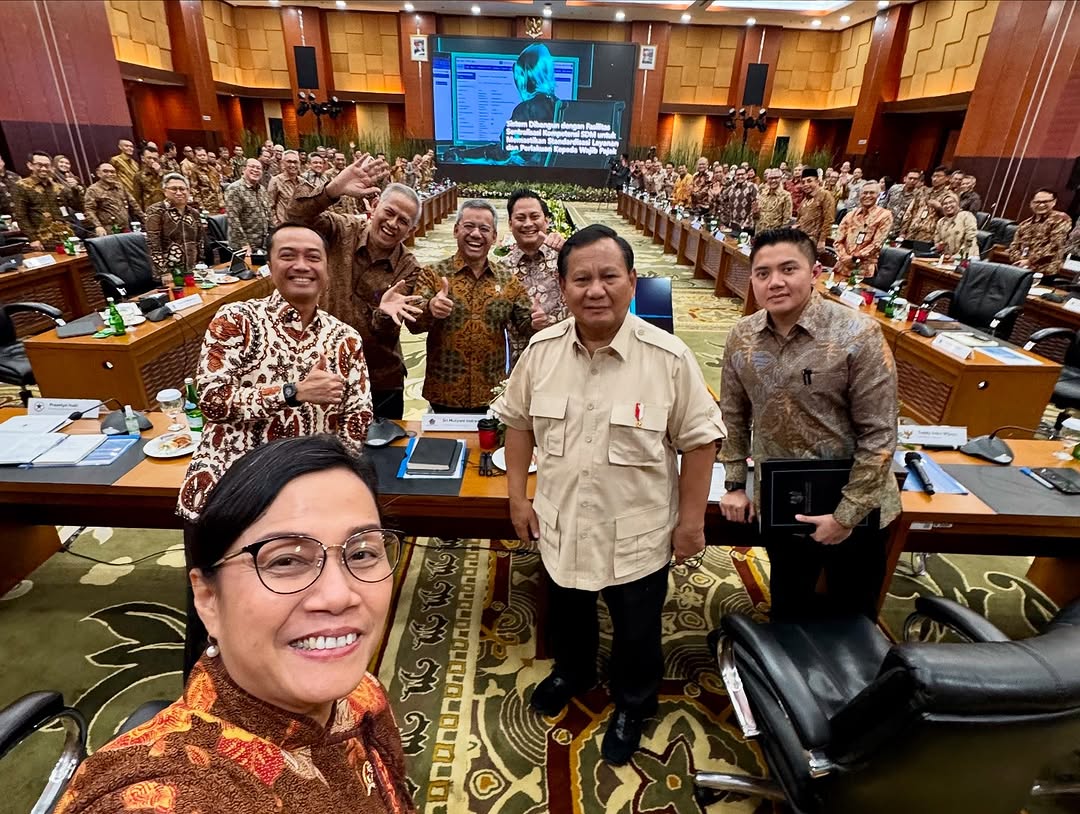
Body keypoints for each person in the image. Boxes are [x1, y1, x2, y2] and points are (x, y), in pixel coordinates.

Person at [56, 435, 414, 814]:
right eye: (285, 561)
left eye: (361, 553)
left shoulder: (362, 693)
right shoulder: (173, 792)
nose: (339, 595)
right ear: (208, 599)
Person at [493, 223, 725, 766]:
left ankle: (633, 703)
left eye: (608, 277)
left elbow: (700, 442)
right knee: (568, 616)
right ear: (563, 286)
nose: (595, 290)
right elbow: (518, 424)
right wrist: (517, 498)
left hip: (637, 531)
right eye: (581, 279)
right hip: (561, 520)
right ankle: (572, 672)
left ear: (632, 281)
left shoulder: (667, 358)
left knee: (637, 631)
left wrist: (691, 523)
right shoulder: (542, 351)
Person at [719, 227, 899, 622]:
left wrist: (845, 516)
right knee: (788, 608)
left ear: (814, 272)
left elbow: (880, 433)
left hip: (854, 506)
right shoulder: (742, 336)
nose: (775, 282)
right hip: (783, 500)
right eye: (762, 273)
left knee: (852, 618)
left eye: (788, 269)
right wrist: (734, 484)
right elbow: (733, 415)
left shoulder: (858, 334)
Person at [178, 221, 373, 526]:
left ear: (327, 269)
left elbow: (358, 417)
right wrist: (291, 393)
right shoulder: (237, 320)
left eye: (313, 257)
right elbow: (211, 401)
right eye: (288, 256)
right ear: (269, 265)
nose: (301, 266)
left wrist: (337, 479)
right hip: (235, 486)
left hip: (310, 487)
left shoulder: (345, 337)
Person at [288, 155, 426, 421]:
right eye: (389, 212)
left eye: (403, 221)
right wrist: (331, 191)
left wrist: (385, 314)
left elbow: (386, 331)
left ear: (411, 230)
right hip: (322, 370)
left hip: (380, 378)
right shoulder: (341, 229)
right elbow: (295, 218)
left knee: (380, 455)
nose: (393, 223)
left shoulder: (409, 268)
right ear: (374, 206)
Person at [407, 200, 544, 413]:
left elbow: (526, 326)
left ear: (494, 237)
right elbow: (413, 324)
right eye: (469, 226)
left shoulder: (508, 280)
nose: (476, 234)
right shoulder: (433, 274)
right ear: (456, 230)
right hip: (443, 393)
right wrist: (430, 308)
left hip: (492, 394)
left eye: (484, 229)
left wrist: (536, 322)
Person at [503, 189, 569, 366]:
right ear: (510, 224)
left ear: (546, 220)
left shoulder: (566, 258)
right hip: (522, 362)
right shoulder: (501, 269)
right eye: (520, 218)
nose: (528, 223)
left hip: (565, 357)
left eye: (534, 217)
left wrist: (572, 251)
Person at [145, 173, 205, 282]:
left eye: (182, 189)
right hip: (169, 273)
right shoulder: (156, 211)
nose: (179, 192)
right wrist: (164, 272)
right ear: (165, 191)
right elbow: (153, 245)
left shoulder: (194, 213)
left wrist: (200, 264)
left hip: (192, 270)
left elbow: (199, 242)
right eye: (174, 189)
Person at [12, 151, 74, 250]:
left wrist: (75, 189)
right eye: (39, 165)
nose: (44, 169)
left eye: (47, 165)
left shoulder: (57, 186)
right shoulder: (22, 186)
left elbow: (76, 205)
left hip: (66, 235)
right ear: (30, 165)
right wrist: (32, 239)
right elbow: (20, 215)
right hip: (43, 239)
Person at [1008, 188, 1074, 277]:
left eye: (1046, 201)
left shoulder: (1060, 219)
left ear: (1054, 202)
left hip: (1045, 272)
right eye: (1037, 202)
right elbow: (1014, 246)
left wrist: (1029, 261)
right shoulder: (1025, 224)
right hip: (1021, 269)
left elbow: (1054, 245)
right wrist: (1020, 260)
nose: (1041, 205)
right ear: (1031, 203)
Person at [834, 181, 892, 279]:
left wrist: (853, 258)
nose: (867, 195)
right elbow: (838, 240)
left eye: (872, 193)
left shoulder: (884, 215)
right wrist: (844, 257)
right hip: (842, 266)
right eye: (864, 193)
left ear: (878, 195)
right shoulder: (850, 215)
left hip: (863, 270)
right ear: (860, 195)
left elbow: (877, 244)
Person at [83, 162, 144, 236]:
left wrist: (145, 219)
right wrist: (98, 226)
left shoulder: (120, 186)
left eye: (112, 172)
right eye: (105, 171)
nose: (110, 174)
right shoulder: (93, 190)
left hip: (125, 229)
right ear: (98, 173)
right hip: (107, 231)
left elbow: (133, 204)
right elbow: (89, 210)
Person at [225, 158, 272, 253]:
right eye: (252, 167)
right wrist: (244, 244)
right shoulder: (234, 189)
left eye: (258, 168)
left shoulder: (262, 189)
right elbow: (233, 219)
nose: (255, 170)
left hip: (261, 244)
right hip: (243, 246)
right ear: (243, 170)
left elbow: (268, 215)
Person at [899, 166, 950, 242]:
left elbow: (950, 218)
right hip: (912, 231)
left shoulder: (949, 196)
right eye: (934, 176)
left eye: (939, 176)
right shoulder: (923, 192)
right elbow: (910, 212)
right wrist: (903, 231)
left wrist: (939, 208)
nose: (935, 179)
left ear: (947, 178)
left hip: (930, 236)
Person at [795, 167, 835, 250]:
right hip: (801, 239)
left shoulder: (825, 195)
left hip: (814, 240)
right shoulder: (805, 199)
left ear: (817, 181)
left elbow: (829, 219)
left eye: (809, 181)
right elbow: (800, 219)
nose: (805, 184)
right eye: (803, 182)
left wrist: (822, 240)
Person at [934, 191, 980, 259]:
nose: (948, 205)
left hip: (968, 256)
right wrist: (939, 247)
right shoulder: (941, 222)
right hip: (947, 258)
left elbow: (970, 239)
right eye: (945, 203)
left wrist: (958, 256)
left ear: (957, 203)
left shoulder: (967, 216)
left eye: (951, 202)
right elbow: (937, 241)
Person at [884, 169, 922, 239]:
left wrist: (905, 232)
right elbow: (884, 204)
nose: (912, 181)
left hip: (900, 232)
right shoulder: (894, 188)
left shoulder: (919, 196)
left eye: (915, 179)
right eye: (910, 178)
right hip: (885, 226)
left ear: (919, 181)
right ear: (905, 179)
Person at [268, 149, 303, 225]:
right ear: (283, 164)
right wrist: (276, 224)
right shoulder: (276, 181)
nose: (292, 165)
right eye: (289, 162)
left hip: (301, 226)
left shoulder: (303, 182)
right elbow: (269, 207)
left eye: (295, 162)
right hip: (284, 227)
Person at [718, 166, 757, 231]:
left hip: (746, 226)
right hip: (732, 224)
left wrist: (747, 223)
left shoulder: (752, 187)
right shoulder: (731, 188)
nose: (740, 176)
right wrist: (725, 220)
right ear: (735, 176)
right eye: (738, 174)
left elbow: (755, 206)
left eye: (742, 174)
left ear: (746, 175)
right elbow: (721, 201)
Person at [188, 147, 223, 213]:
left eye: (204, 155)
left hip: (219, 203)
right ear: (195, 157)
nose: (202, 157)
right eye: (199, 155)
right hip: (207, 205)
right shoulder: (194, 171)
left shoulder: (212, 169)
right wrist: (201, 206)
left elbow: (218, 186)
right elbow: (195, 190)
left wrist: (222, 201)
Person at [132, 146, 165, 212]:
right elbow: (137, 198)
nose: (152, 161)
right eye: (149, 158)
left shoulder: (165, 173)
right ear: (143, 158)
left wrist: (160, 173)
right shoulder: (139, 176)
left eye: (155, 159)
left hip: (166, 208)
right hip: (150, 210)